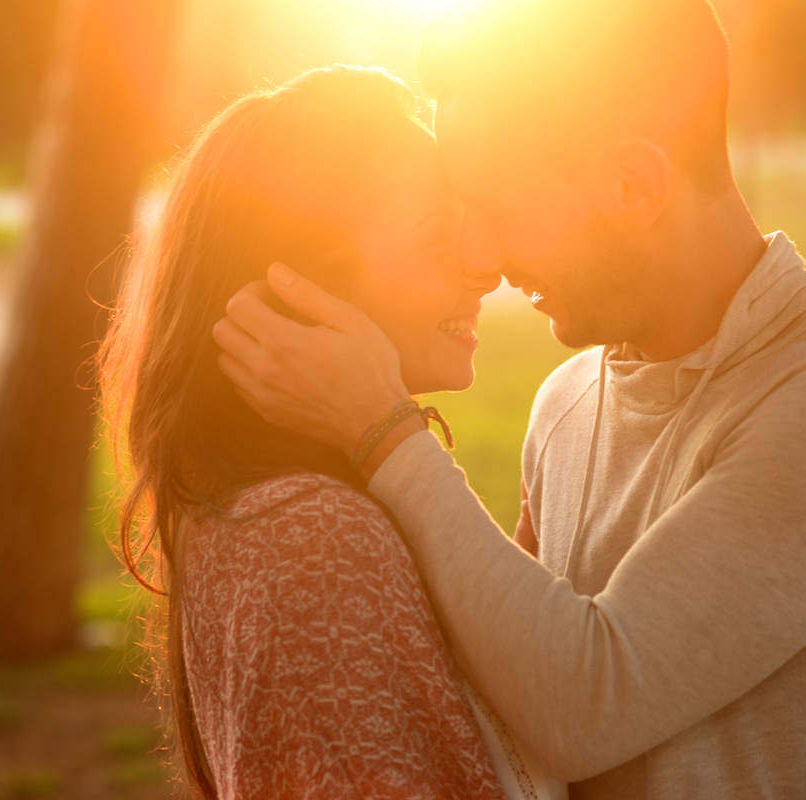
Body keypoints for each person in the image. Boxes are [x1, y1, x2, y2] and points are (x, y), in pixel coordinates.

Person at [212, 0, 806, 798]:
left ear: (632, 185)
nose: (482, 256)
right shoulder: (566, 401)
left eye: (499, 210)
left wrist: (384, 430)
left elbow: (582, 709)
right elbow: (507, 685)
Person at [99, 65, 565, 800]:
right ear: (302, 292)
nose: (485, 266)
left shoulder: (262, 509)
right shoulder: (314, 540)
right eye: (437, 236)